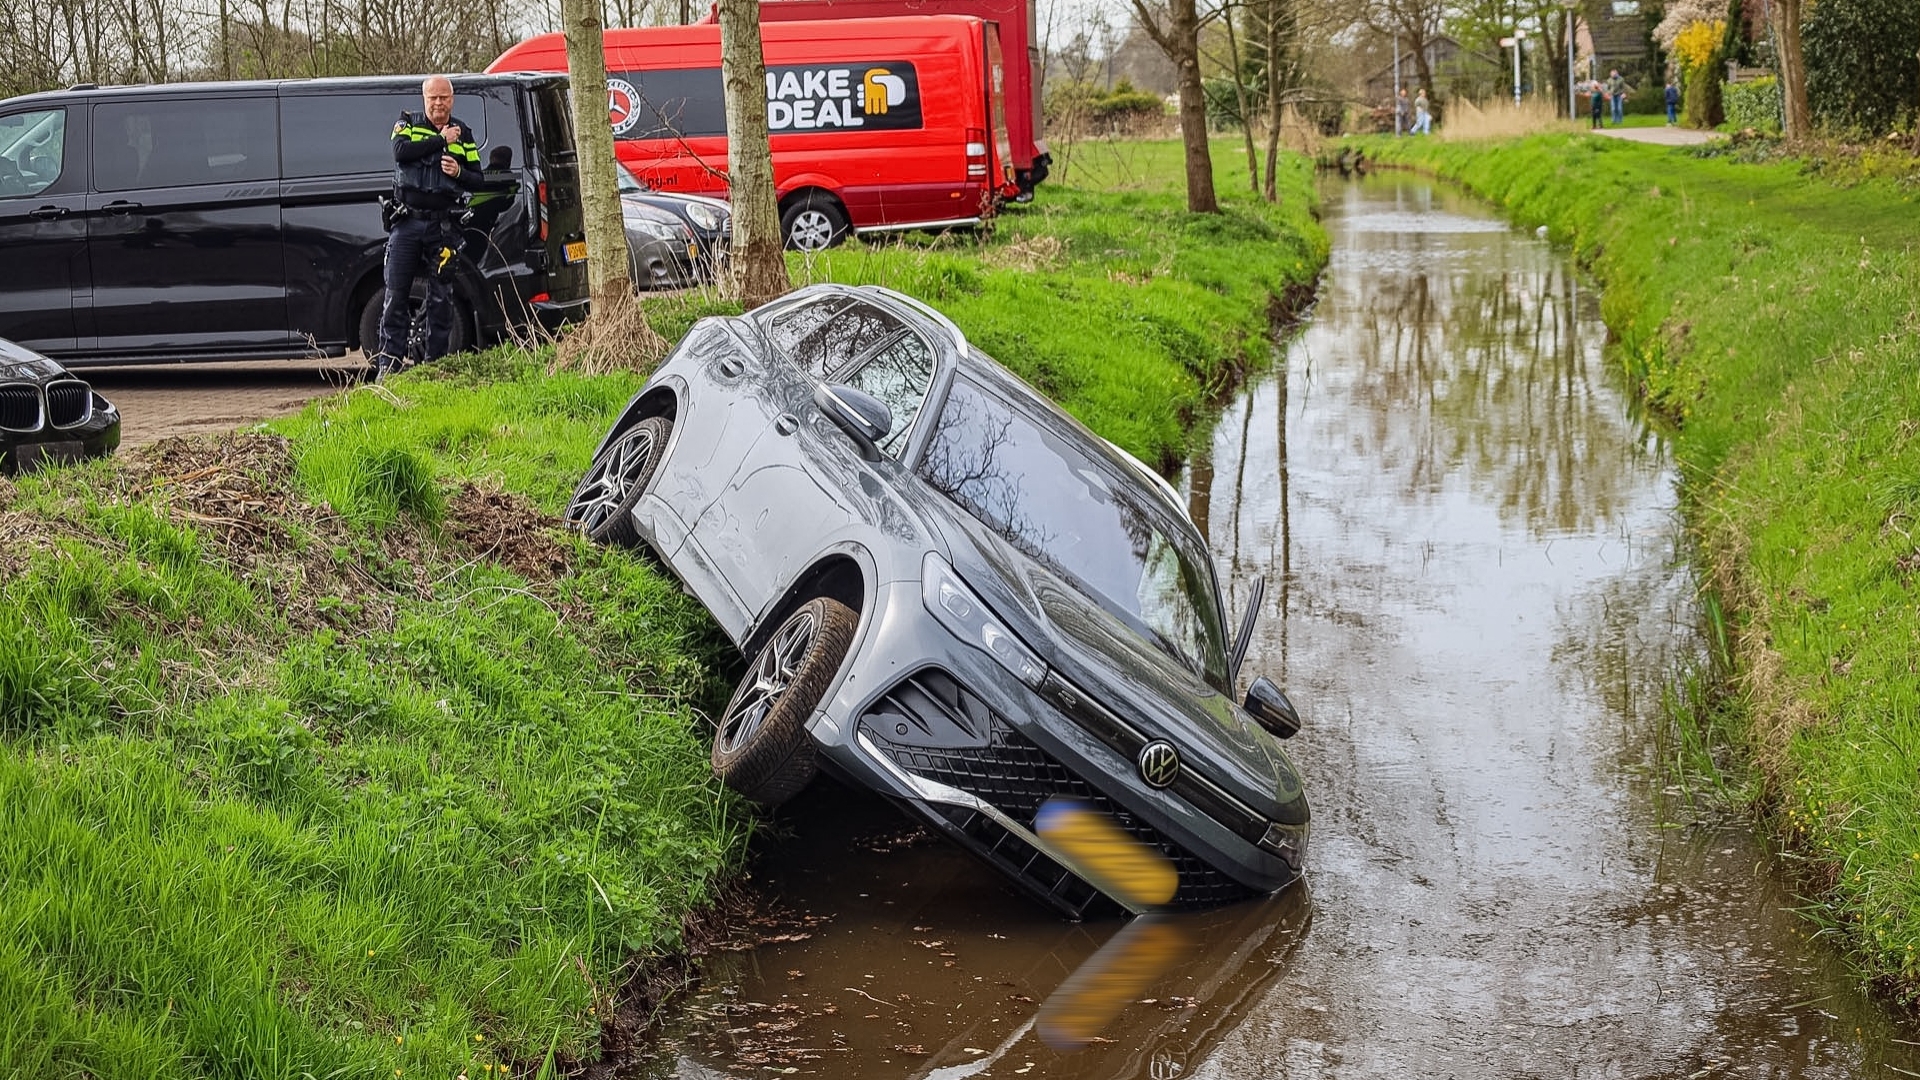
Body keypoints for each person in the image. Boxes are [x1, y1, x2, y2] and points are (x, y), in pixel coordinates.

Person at [373, 75, 482, 381]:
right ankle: (389, 366)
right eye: (433, 97)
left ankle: (435, 366)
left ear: (452, 100)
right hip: (407, 224)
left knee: (441, 298)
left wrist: (459, 172)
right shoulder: (407, 123)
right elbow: (400, 152)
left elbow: (478, 179)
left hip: (442, 227)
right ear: (425, 99)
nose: (438, 103)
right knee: (395, 295)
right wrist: (441, 141)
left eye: (443, 97)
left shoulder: (464, 133)